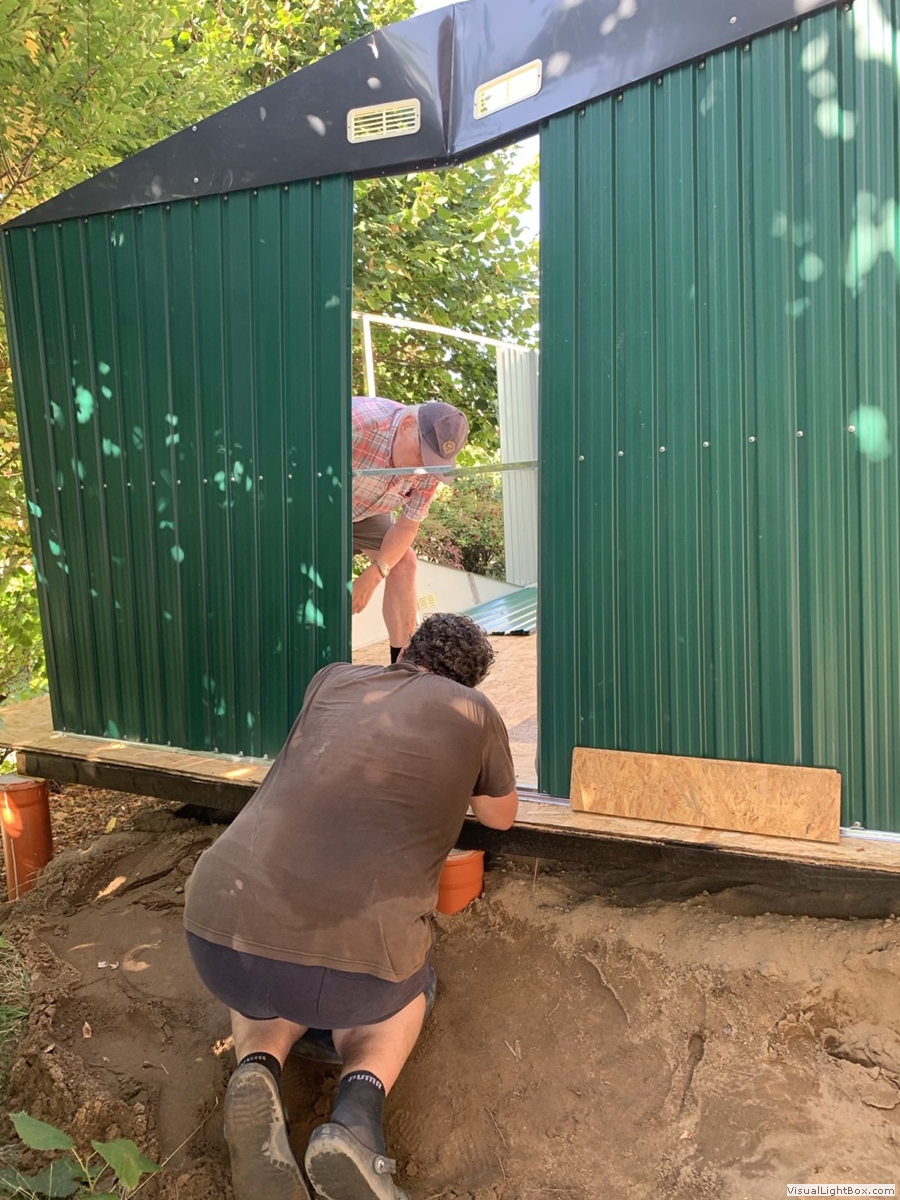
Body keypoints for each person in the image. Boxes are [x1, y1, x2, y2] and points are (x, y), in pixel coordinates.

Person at [183, 613, 518, 1200]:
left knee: (276, 964)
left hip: (218, 930)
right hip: (352, 966)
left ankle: (256, 1067)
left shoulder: (332, 678)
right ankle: (357, 1123)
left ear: (404, 653)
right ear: (470, 681)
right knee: (406, 987)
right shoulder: (474, 712)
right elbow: (500, 816)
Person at [351, 396, 469, 663]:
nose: (421, 471)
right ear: (406, 425)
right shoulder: (357, 423)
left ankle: (404, 666)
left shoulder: (428, 469)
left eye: (431, 464)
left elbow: (407, 526)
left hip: (365, 513)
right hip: (315, 509)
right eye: (420, 457)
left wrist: (374, 574)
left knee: (403, 562)